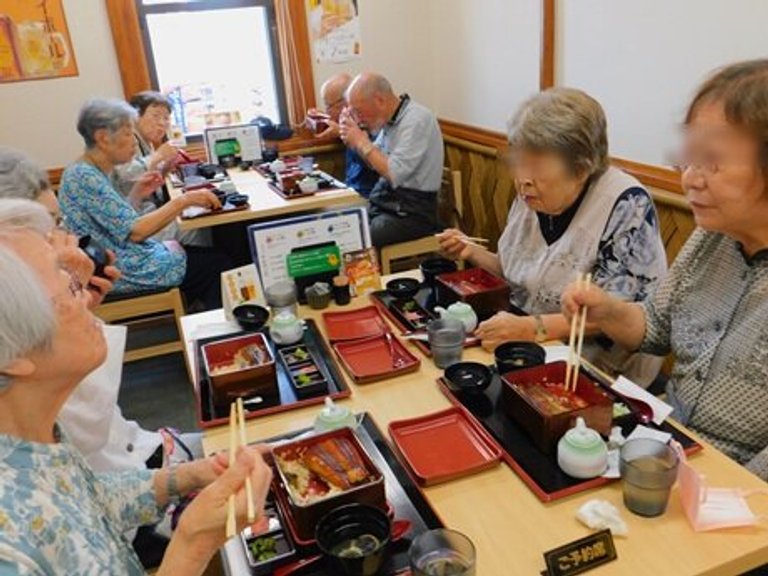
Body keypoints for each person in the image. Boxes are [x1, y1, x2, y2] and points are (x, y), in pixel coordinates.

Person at [0, 206, 272, 575]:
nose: (88, 299)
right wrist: (194, 543)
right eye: (71, 287)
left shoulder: (31, 445)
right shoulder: (9, 551)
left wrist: (192, 475)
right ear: (12, 355)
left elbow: (92, 500)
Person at [562, 60, 768, 481]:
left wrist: (714, 491)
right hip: (668, 444)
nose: (690, 179)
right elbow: (656, 326)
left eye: (711, 161)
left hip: (738, 488)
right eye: (688, 160)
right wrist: (608, 311)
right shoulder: (713, 235)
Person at [439, 87, 667, 386]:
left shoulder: (626, 205)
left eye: (537, 165)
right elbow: (520, 275)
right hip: (529, 349)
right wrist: (471, 252)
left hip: (599, 372)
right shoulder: (533, 194)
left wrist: (530, 328)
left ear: (582, 168)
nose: (523, 179)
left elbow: (612, 316)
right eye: (519, 162)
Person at [58, 99, 231, 309]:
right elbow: (136, 232)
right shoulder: (84, 176)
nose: (134, 141)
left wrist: (137, 193)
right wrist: (185, 200)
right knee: (218, 265)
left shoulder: (91, 170)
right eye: (127, 133)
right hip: (121, 269)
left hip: (127, 256)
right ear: (102, 138)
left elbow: (118, 223)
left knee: (212, 255)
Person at [340, 73, 444, 247]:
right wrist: (354, 142)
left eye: (358, 111)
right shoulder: (388, 120)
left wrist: (362, 141)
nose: (358, 118)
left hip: (413, 214)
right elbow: (375, 163)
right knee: (341, 226)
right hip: (387, 204)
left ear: (379, 100)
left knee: (355, 240)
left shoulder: (417, 120)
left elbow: (394, 174)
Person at [113, 91, 210, 246]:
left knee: (199, 214)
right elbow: (124, 173)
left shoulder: (147, 143)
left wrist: (166, 167)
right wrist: (158, 155)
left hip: (149, 213)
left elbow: (151, 184)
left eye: (166, 118)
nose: (162, 123)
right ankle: (204, 258)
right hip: (136, 223)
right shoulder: (125, 139)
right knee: (196, 227)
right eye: (156, 116)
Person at [308, 73, 379, 197]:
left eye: (329, 105)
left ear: (346, 102)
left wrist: (343, 134)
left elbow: (375, 164)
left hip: (367, 194)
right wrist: (317, 118)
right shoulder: (346, 122)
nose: (327, 111)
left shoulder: (371, 123)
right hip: (348, 189)